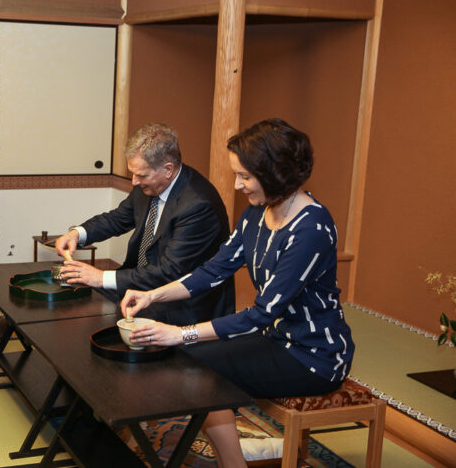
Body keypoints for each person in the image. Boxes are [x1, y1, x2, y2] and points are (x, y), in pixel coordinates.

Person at [120, 118, 354, 467]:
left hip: (314, 355)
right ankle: (235, 455)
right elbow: (214, 270)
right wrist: (153, 295)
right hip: (277, 339)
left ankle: (234, 463)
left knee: (198, 367)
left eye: (245, 176)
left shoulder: (311, 228)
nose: (237, 184)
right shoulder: (256, 214)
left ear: (275, 173)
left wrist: (180, 334)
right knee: (194, 360)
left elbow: (260, 314)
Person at [55, 123, 234, 325]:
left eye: (141, 175)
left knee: (96, 319)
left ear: (168, 169)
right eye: (133, 173)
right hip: (143, 285)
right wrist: (78, 234)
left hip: (182, 305)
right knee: (74, 299)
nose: (134, 182)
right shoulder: (149, 184)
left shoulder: (198, 205)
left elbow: (170, 272)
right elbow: (118, 218)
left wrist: (101, 277)